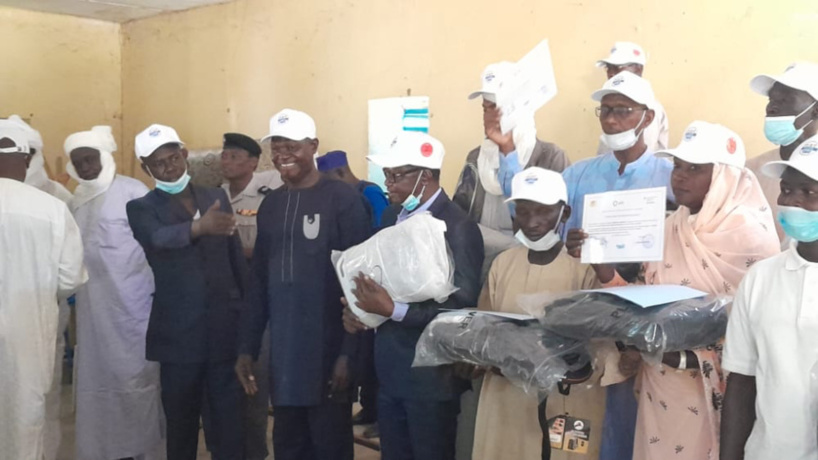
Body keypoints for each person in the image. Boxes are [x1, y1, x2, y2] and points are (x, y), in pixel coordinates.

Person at [568, 121, 780, 459]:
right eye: (678, 166)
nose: (679, 177)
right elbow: (642, 298)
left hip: (718, 394)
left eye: (694, 169)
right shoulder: (668, 228)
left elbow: (760, 332)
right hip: (660, 388)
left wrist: (682, 356)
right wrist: (601, 266)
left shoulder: (750, 238)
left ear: (724, 177)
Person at [236, 109, 371, 460]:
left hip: (328, 355)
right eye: (277, 147)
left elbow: (359, 282)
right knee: (288, 445)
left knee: (329, 447)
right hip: (284, 358)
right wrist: (247, 347)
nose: (283, 155)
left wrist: (348, 355)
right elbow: (259, 283)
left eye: (292, 146)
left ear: (313, 146)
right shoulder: (272, 205)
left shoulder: (342, 199)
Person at [342, 131, 484, 460]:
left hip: (431, 379)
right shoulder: (392, 217)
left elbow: (462, 309)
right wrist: (362, 310)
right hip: (390, 371)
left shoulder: (458, 226)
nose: (388, 184)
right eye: (387, 174)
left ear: (426, 176)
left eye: (396, 175)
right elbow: (385, 283)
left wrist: (394, 310)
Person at [561, 70, 674, 460]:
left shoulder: (670, 175)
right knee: (593, 417)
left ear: (647, 116)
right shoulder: (579, 174)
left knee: (644, 419)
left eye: (623, 110)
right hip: (594, 312)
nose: (611, 120)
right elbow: (542, 224)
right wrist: (569, 242)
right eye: (605, 110)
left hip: (652, 313)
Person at [126, 123, 247, 460]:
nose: (169, 168)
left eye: (173, 158)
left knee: (228, 425)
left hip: (224, 333)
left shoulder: (215, 196)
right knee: (181, 427)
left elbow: (235, 258)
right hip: (178, 340)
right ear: (146, 169)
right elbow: (157, 238)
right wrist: (198, 227)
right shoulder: (141, 208)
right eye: (158, 164)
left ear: (184, 154)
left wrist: (247, 318)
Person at [471, 167, 604, 460]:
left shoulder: (585, 267)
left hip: (569, 397)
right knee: (507, 450)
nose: (531, 222)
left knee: (568, 452)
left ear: (564, 214)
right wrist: (485, 358)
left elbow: (601, 342)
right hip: (508, 393)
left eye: (543, 211)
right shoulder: (503, 264)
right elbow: (484, 325)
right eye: (523, 211)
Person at [64, 125, 165, 460]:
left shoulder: (132, 191)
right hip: (94, 310)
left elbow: (155, 246)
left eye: (90, 159)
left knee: (135, 378)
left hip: (133, 307)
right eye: (78, 162)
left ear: (105, 157)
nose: (86, 167)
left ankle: (141, 450)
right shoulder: (77, 199)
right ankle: (105, 450)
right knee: (98, 379)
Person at [720, 134, 818, 460]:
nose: (792, 202)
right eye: (787, 190)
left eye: (810, 192)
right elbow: (741, 381)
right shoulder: (761, 278)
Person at [0, 120, 87, 460]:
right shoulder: (51, 209)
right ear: (26, 160)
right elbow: (70, 278)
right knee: (25, 423)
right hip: (29, 336)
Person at [454, 61, 570, 278]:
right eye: (486, 108)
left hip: (535, 268)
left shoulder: (550, 156)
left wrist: (507, 149)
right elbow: (459, 218)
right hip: (482, 268)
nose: (491, 117)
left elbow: (556, 224)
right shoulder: (476, 158)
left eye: (499, 109)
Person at [217, 131, 280, 460]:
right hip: (225, 301)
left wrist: (234, 250)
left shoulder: (267, 195)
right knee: (227, 384)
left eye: (234, 156)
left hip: (259, 301)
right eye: (224, 155)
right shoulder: (216, 197)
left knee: (256, 380)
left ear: (253, 163)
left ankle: (256, 452)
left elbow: (269, 250)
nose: (226, 161)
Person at [316, 149, 389, 435]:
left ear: (340, 173)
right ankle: (368, 409)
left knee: (373, 357)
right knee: (365, 359)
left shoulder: (369, 193)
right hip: (353, 282)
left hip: (374, 284)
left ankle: (380, 416)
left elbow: (380, 235)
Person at [747, 62, 818, 244]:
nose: (771, 108)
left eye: (786, 100)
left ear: (815, 110)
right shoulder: (751, 171)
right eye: (771, 100)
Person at [594, 42, 670, 154]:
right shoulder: (611, 102)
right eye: (609, 68)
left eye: (617, 68)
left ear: (639, 69)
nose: (611, 74)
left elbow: (638, 158)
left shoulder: (645, 107)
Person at [318, 149, 389, 230]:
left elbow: (383, 229)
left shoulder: (370, 192)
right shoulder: (342, 197)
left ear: (340, 173)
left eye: (329, 182)